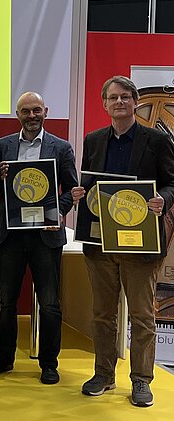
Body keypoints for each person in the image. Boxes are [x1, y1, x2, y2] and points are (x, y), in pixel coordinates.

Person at [71, 75, 174, 407]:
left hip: (140, 244)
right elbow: (92, 186)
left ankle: (141, 379)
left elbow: (172, 183)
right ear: (104, 104)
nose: (119, 102)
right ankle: (103, 375)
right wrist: (80, 193)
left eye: (125, 97)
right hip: (100, 243)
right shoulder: (94, 139)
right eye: (112, 97)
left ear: (134, 102)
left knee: (143, 316)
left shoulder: (156, 141)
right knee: (102, 314)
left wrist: (163, 199)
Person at [0, 92, 77, 385]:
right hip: (10, 236)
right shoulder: (4, 145)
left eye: (36, 110)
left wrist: (56, 214)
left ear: (45, 111)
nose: (32, 115)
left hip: (46, 237)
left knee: (49, 303)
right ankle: (4, 357)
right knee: (6, 301)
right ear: (17, 114)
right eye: (26, 111)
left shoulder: (61, 147)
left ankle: (49, 363)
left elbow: (70, 190)